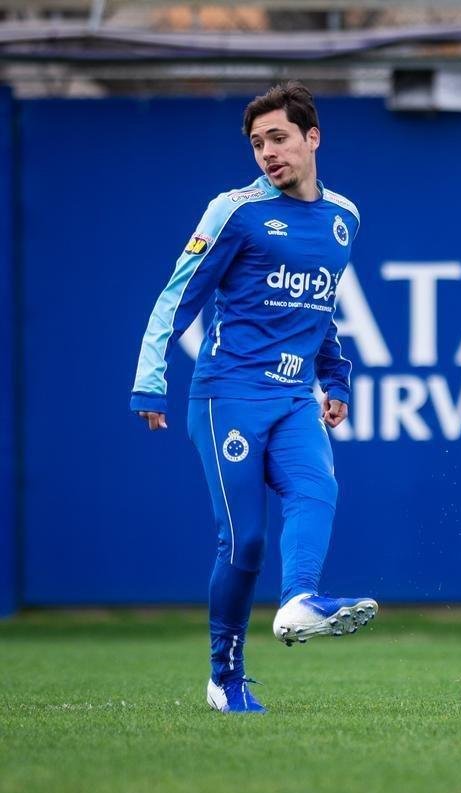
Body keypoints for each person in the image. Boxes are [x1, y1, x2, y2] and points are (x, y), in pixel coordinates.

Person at [130, 81, 377, 714]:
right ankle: (225, 676)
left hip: (295, 397)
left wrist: (336, 377)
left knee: (317, 489)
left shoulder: (344, 217)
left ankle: (298, 601)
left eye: (279, 138)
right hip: (227, 396)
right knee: (244, 545)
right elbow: (174, 295)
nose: (267, 152)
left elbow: (318, 308)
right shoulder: (233, 210)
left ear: (311, 138)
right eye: (257, 143)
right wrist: (149, 378)